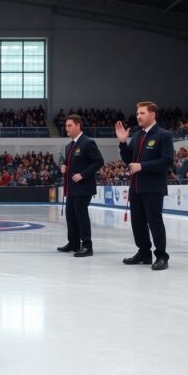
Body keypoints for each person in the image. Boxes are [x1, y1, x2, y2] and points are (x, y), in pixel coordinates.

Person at [115, 101, 174, 271]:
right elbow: (128, 160)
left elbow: (167, 161)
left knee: (154, 221)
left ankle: (162, 256)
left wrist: (143, 166)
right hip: (136, 186)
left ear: (152, 114)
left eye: (142, 113)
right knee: (137, 222)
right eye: (138, 113)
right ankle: (144, 252)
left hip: (153, 187)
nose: (138, 116)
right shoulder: (138, 136)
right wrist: (122, 143)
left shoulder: (163, 135)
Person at [57, 115, 104, 257]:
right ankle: (73, 243)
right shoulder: (69, 146)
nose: (67, 128)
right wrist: (63, 167)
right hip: (71, 188)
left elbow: (98, 162)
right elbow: (68, 163)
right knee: (70, 215)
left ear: (78, 126)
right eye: (66, 126)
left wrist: (83, 174)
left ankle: (87, 245)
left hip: (83, 187)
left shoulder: (88, 142)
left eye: (69, 125)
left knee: (81, 215)